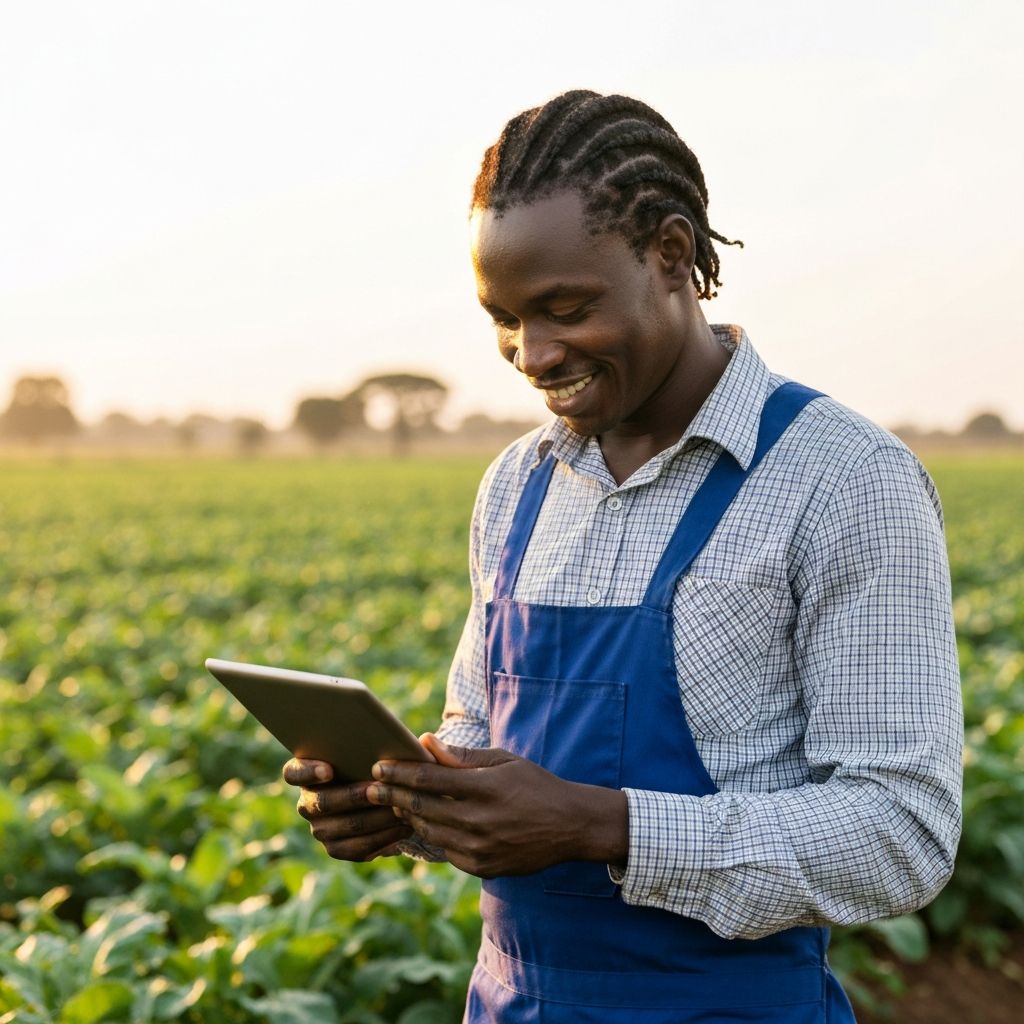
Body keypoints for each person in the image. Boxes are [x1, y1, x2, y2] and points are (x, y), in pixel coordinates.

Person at [285, 90, 963, 1022]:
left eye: (565, 308)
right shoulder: (517, 485)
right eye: (504, 319)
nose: (532, 352)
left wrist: (599, 824)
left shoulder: (845, 478)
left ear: (673, 255)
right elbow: (483, 741)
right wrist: (410, 809)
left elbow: (902, 833)